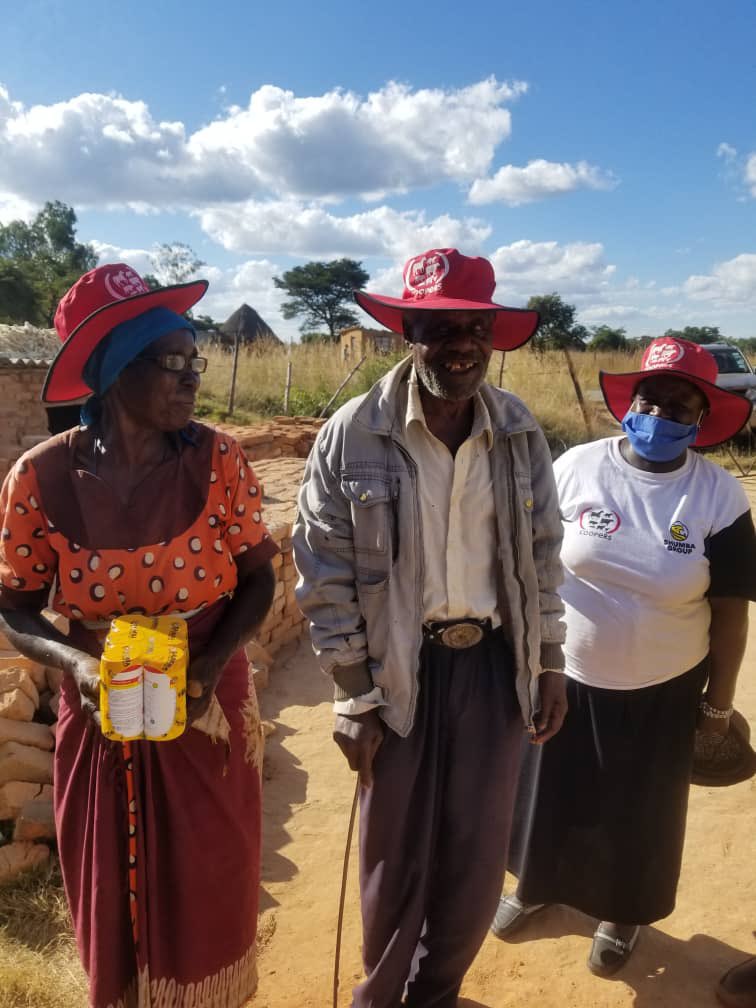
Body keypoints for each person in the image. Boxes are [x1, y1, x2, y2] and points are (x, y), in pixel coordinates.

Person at [293, 247, 567, 1008]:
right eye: (440, 329)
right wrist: (353, 694)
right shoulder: (353, 433)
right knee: (393, 854)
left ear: (491, 334)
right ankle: (380, 998)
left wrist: (548, 660)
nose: (461, 345)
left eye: (474, 327)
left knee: (476, 855)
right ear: (408, 332)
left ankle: (437, 992)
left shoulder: (516, 430)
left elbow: (543, 555)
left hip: (491, 666)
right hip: (395, 669)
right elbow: (324, 569)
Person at [0, 263, 278, 1008]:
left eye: (197, 361)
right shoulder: (39, 479)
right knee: (107, 890)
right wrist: (75, 667)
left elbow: (260, 578)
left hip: (202, 707)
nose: (193, 378)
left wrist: (208, 665)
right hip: (100, 710)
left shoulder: (219, 461)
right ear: (117, 371)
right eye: (174, 362)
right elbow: (16, 607)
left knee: (209, 880)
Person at [492, 337, 756, 977]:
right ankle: (534, 887)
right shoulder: (577, 467)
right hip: (566, 674)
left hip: (662, 687)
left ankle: (622, 912)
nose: (661, 415)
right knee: (546, 793)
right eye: (652, 398)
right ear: (628, 404)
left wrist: (718, 706)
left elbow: (731, 612)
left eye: (680, 406)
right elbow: (529, 563)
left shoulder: (720, 498)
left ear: (701, 421)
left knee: (639, 810)